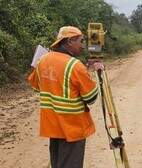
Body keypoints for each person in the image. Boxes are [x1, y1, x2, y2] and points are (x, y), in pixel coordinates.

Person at [28, 26, 104, 168]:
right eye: (81, 41)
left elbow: (36, 86)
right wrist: (94, 73)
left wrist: (84, 70)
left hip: (53, 127)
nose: (83, 46)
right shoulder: (75, 65)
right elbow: (91, 97)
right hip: (72, 129)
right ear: (69, 41)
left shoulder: (42, 60)